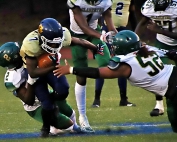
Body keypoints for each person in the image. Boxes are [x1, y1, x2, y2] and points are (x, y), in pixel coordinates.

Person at [53, 30, 177, 133]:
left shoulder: (126, 65)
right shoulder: (146, 48)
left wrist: (71, 69)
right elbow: (171, 53)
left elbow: (98, 73)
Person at [0, 42, 84, 137]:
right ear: (15, 58)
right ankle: (55, 129)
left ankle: (75, 128)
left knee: (69, 112)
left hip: (46, 94)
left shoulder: (31, 58)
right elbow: (29, 100)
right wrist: (31, 81)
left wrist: (50, 61)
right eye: (20, 52)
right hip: (35, 107)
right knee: (68, 125)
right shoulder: (12, 78)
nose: (24, 52)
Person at [67, 0, 117, 131]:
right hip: (77, 36)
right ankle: (82, 116)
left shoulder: (105, 2)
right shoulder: (76, 2)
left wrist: (116, 37)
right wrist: (102, 37)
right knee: (81, 75)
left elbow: (111, 27)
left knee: (106, 64)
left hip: (95, 34)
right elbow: (83, 27)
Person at [135, 0, 177, 117]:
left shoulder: (175, 7)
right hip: (162, 42)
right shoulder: (149, 6)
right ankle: (159, 105)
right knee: (158, 72)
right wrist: (135, 40)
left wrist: (159, 30)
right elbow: (142, 23)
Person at [92, 0, 137, 108]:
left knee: (122, 65)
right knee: (103, 64)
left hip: (122, 31)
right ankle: (96, 99)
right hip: (107, 31)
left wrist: (135, 33)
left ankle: (123, 99)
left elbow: (132, 14)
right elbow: (99, 11)